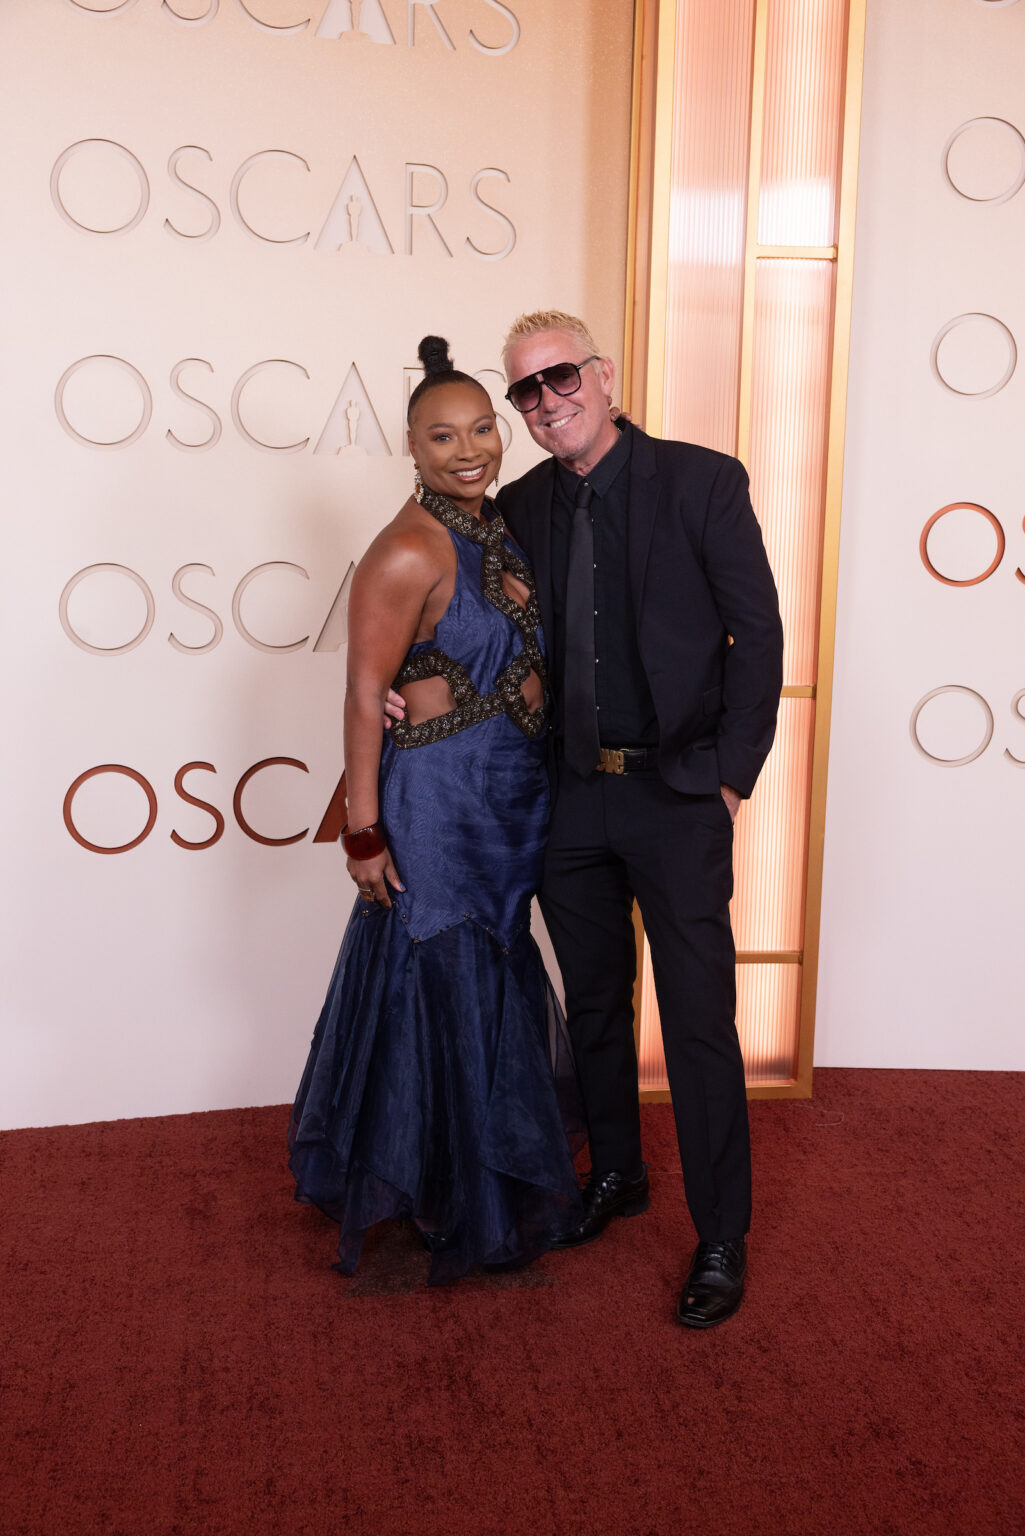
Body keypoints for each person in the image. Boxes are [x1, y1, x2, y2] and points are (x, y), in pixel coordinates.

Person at [493, 311, 784, 1327]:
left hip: (677, 796)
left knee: (697, 1021)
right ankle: (616, 1173)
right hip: (570, 797)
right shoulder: (520, 505)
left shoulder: (702, 482)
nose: (545, 402)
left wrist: (729, 779)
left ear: (604, 374)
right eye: (525, 390)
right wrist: (402, 688)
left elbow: (758, 635)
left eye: (560, 377)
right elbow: (478, 629)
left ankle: (720, 1235)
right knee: (592, 1006)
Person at [288, 336, 584, 1285]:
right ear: (411, 448)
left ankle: (470, 1176)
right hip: (439, 805)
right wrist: (364, 830)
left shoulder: (496, 525)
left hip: (509, 802)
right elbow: (360, 693)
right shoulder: (407, 547)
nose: (468, 450)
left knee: (490, 970)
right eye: (442, 436)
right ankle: (450, 1194)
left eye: (481, 429)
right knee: (441, 978)